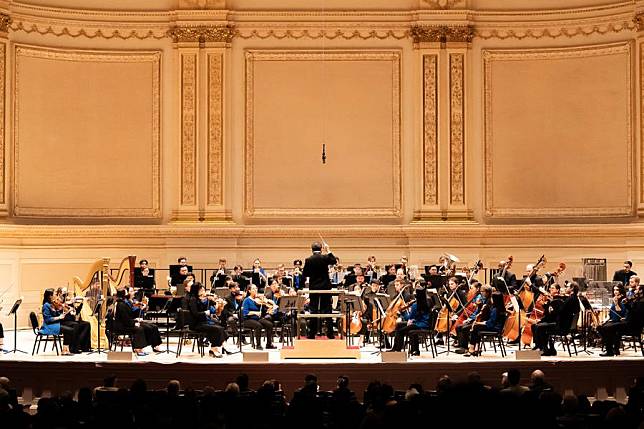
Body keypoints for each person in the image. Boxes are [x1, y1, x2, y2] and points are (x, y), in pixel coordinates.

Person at [599, 280, 644, 356]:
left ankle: (610, 351)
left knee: (607, 328)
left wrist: (626, 305)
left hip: (632, 325)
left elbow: (635, 313)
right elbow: (632, 311)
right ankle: (613, 349)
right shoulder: (638, 300)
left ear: (641, 291)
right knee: (606, 326)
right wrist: (628, 304)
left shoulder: (641, 303)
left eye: (637, 289)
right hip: (628, 322)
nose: (635, 291)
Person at [303, 241, 338, 339]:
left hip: (314, 287)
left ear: (312, 249)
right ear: (321, 249)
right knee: (327, 310)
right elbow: (334, 261)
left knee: (313, 310)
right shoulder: (325, 257)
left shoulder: (308, 260)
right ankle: (330, 333)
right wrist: (329, 250)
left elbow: (306, 273)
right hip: (325, 287)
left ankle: (311, 334)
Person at [113, 287, 162, 356]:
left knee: (152, 326)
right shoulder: (121, 304)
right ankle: (138, 349)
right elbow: (125, 319)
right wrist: (134, 323)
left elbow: (129, 315)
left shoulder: (123, 303)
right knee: (139, 329)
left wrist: (137, 316)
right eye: (127, 292)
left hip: (126, 323)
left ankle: (153, 345)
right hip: (122, 326)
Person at [187, 282, 227, 357]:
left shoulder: (202, 299)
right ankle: (214, 349)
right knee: (217, 329)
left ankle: (214, 348)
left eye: (203, 290)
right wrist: (206, 312)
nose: (203, 292)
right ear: (196, 290)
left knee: (220, 328)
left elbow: (211, 310)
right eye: (201, 290)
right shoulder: (193, 300)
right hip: (196, 324)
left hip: (203, 322)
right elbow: (195, 314)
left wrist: (216, 304)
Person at [391, 286, 431, 356]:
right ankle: (414, 350)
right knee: (399, 325)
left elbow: (409, 318)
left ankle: (397, 350)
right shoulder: (427, 303)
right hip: (424, 323)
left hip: (419, 325)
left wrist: (402, 312)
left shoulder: (415, 305)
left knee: (400, 331)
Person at [40, 289, 83, 355]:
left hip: (54, 324)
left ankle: (65, 350)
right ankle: (65, 350)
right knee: (70, 330)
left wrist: (64, 312)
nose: (56, 295)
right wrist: (59, 317)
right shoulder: (46, 305)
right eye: (54, 294)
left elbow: (56, 313)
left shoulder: (51, 304)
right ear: (50, 296)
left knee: (70, 328)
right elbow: (47, 320)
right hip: (48, 326)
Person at [464, 291, 506, 356]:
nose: (491, 299)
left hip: (495, 328)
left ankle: (471, 349)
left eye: (492, 298)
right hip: (496, 327)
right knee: (477, 327)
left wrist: (481, 323)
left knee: (476, 327)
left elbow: (491, 323)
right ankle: (476, 348)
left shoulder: (495, 309)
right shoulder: (501, 308)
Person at [242, 284, 276, 350]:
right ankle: (258, 345)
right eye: (253, 289)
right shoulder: (246, 300)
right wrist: (255, 313)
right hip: (248, 320)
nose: (255, 290)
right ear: (249, 291)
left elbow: (263, 308)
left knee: (269, 324)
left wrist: (269, 308)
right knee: (258, 326)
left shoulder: (258, 299)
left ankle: (269, 344)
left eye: (256, 288)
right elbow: (245, 312)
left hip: (257, 319)